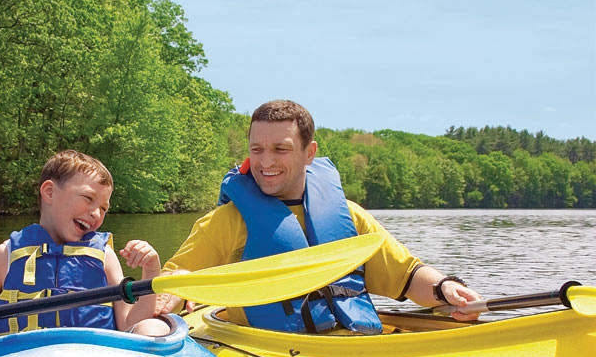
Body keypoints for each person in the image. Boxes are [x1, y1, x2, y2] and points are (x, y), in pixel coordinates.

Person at [156, 100, 482, 334]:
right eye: (257, 149)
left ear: (309, 153)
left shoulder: (350, 217)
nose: (265, 162)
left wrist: (446, 288)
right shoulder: (225, 222)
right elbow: (170, 285)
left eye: (280, 149)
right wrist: (173, 288)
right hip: (271, 350)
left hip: (354, 342)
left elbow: (408, 276)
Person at [0, 150, 169, 337]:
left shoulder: (104, 256)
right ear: (49, 192)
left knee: (153, 328)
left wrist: (150, 272)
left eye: (103, 207)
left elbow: (129, 325)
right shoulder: (5, 255)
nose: (96, 213)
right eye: (87, 199)